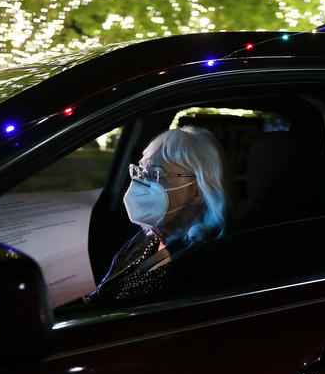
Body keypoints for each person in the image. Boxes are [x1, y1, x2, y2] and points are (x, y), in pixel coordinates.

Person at [85, 126, 228, 303]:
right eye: (139, 171)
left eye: (156, 174)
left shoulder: (203, 261)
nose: (140, 182)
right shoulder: (151, 235)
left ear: (198, 191)